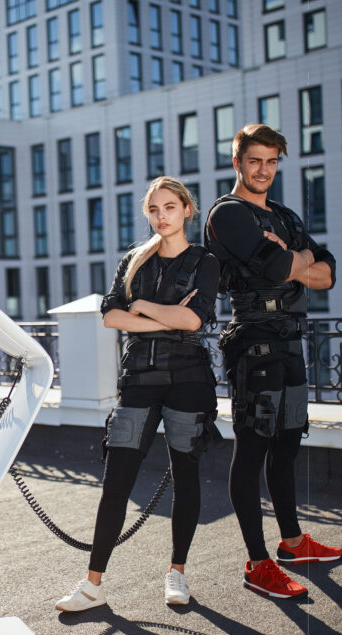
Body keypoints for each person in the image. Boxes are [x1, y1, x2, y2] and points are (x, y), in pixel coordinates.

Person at [56, 177, 221, 612]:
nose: (161, 216)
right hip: (139, 381)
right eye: (154, 209)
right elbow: (111, 316)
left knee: (185, 478)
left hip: (188, 380)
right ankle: (92, 585)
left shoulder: (205, 261)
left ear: (188, 209)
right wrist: (168, 314)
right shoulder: (133, 261)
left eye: (170, 207)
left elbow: (195, 322)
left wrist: (144, 308)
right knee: (116, 483)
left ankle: (177, 574)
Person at [203, 123, 342, 600]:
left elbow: (328, 274)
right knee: (253, 449)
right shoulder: (228, 213)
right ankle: (257, 563)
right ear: (238, 162)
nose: (263, 170)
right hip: (253, 343)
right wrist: (297, 264)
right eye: (255, 160)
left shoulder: (283, 215)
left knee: (287, 444)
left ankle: (292, 542)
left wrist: (296, 257)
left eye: (271, 161)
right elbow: (284, 268)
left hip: (290, 342)